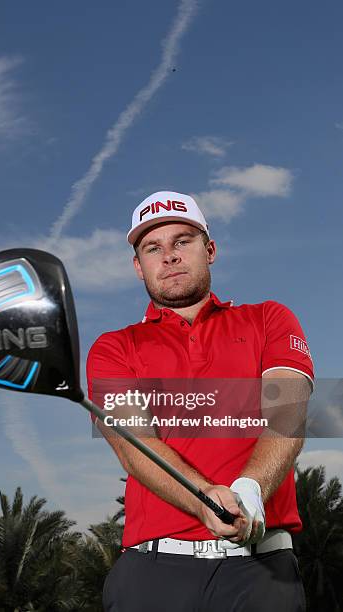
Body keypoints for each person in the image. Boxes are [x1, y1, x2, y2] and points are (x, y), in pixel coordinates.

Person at [86, 191, 313, 611]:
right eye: (153, 248)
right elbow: (134, 446)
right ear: (139, 266)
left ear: (209, 250)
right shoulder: (113, 347)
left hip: (262, 572)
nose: (169, 256)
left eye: (182, 241)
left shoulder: (269, 318)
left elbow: (289, 413)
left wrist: (250, 489)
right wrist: (204, 499)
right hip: (153, 574)